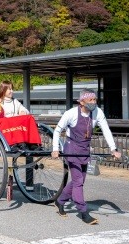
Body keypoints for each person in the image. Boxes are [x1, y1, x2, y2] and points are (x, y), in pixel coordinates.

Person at [52, 89, 122, 224]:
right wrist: (55, 149)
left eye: (95, 100)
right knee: (78, 180)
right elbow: (57, 130)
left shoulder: (97, 112)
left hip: (84, 149)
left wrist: (113, 149)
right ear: (82, 102)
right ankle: (83, 212)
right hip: (71, 148)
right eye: (91, 100)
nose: (94, 102)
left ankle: (60, 201)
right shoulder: (71, 113)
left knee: (79, 180)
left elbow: (106, 130)